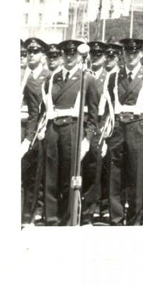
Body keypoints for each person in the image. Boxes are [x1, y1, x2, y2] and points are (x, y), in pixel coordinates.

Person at [103, 38, 143, 225]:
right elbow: (109, 107)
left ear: (141, 54)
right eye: (127, 52)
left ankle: (135, 219)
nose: (131, 56)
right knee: (115, 176)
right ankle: (116, 217)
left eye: (135, 52)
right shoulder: (114, 76)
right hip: (118, 130)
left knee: (137, 177)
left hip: (139, 128)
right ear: (123, 54)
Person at [40, 39, 101, 226]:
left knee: (69, 175)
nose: (69, 58)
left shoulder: (87, 78)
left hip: (73, 129)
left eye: (72, 54)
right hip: (53, 128)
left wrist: (87, 138)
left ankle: (67, 218)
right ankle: (51, 217)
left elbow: (93, 113)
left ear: (78, 56)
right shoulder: (52, 78)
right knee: (50, 175)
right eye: (65, 54)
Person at [20, 38, 50, 226]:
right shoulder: (20, 74)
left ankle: (28, 216)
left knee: (32, 176)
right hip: (19, 126)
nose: (31, 55)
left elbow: (40, 110)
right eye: (27, 52)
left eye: (35, 51)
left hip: (34, 130)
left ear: (42, 55)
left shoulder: (48, 76)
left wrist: (30, 136)